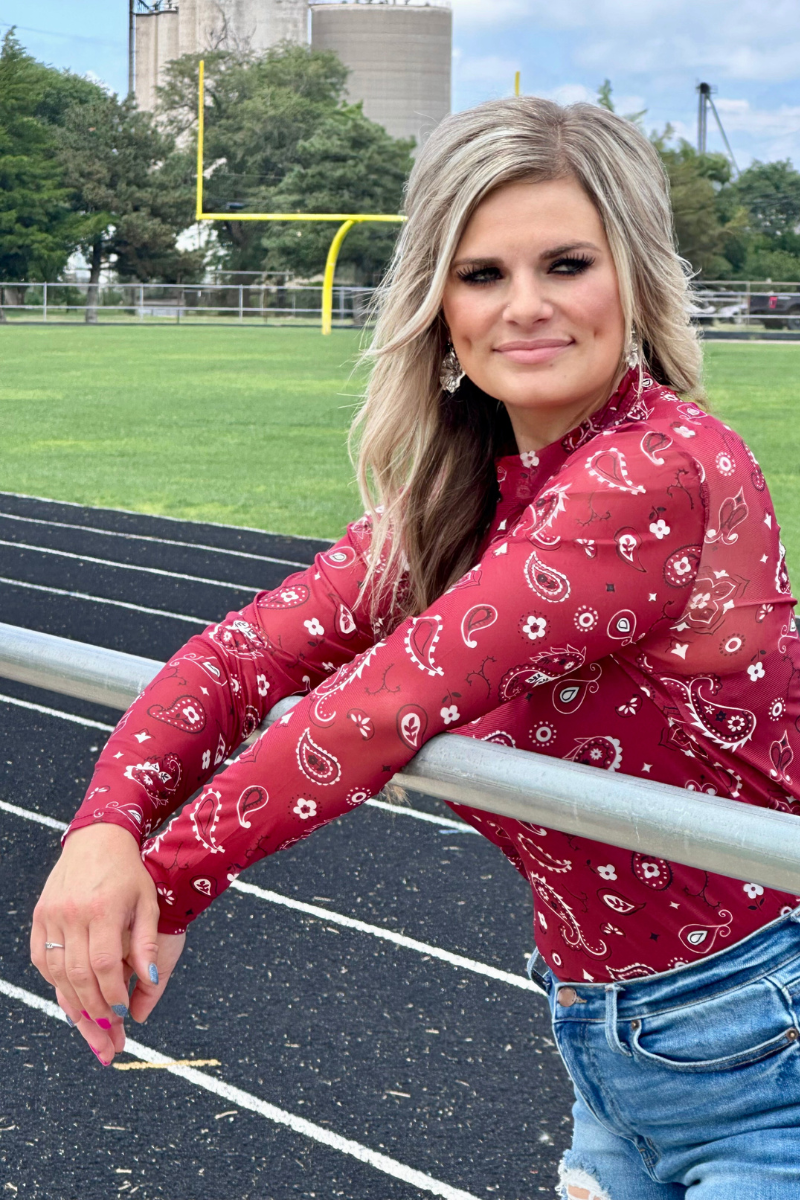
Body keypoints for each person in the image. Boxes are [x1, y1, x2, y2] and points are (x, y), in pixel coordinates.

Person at [32, 97, 800, 1200]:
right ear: (437, 305)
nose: (523, 307)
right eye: (481, 274)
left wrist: (170, 887)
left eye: (566, 264)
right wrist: (102, 831)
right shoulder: (468, 493)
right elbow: (242, 659)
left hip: (759, 1047)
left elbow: (376, 710)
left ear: (630, 276)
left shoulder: (653, 474)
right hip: (608, 1051)